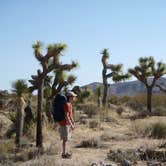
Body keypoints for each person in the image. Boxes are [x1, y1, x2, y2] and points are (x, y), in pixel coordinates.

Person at [59, 91, 77, 159]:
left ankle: (66, 152)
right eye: (73, 96)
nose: (74, 98)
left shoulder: (70, 104)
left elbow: (71, 115)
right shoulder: (66, 104)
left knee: (67, 139)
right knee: (65, 139)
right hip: (64, 124)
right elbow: (66, 116)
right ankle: (63, 153)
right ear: (70, 97)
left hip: (67, 123)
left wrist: (73, 122)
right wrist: (71, 124)